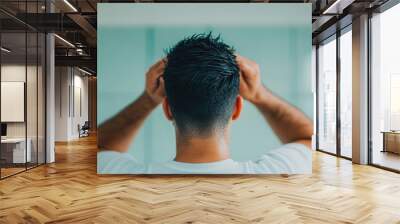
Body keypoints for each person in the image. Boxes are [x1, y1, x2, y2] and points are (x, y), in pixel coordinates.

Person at [97, 33, 313, 174]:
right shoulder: (281, 171)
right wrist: (260, 94)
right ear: (237, 108)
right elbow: (305, 136)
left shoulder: (118, 175)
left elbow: (102, 145)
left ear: (167, 109)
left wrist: (147, 99)